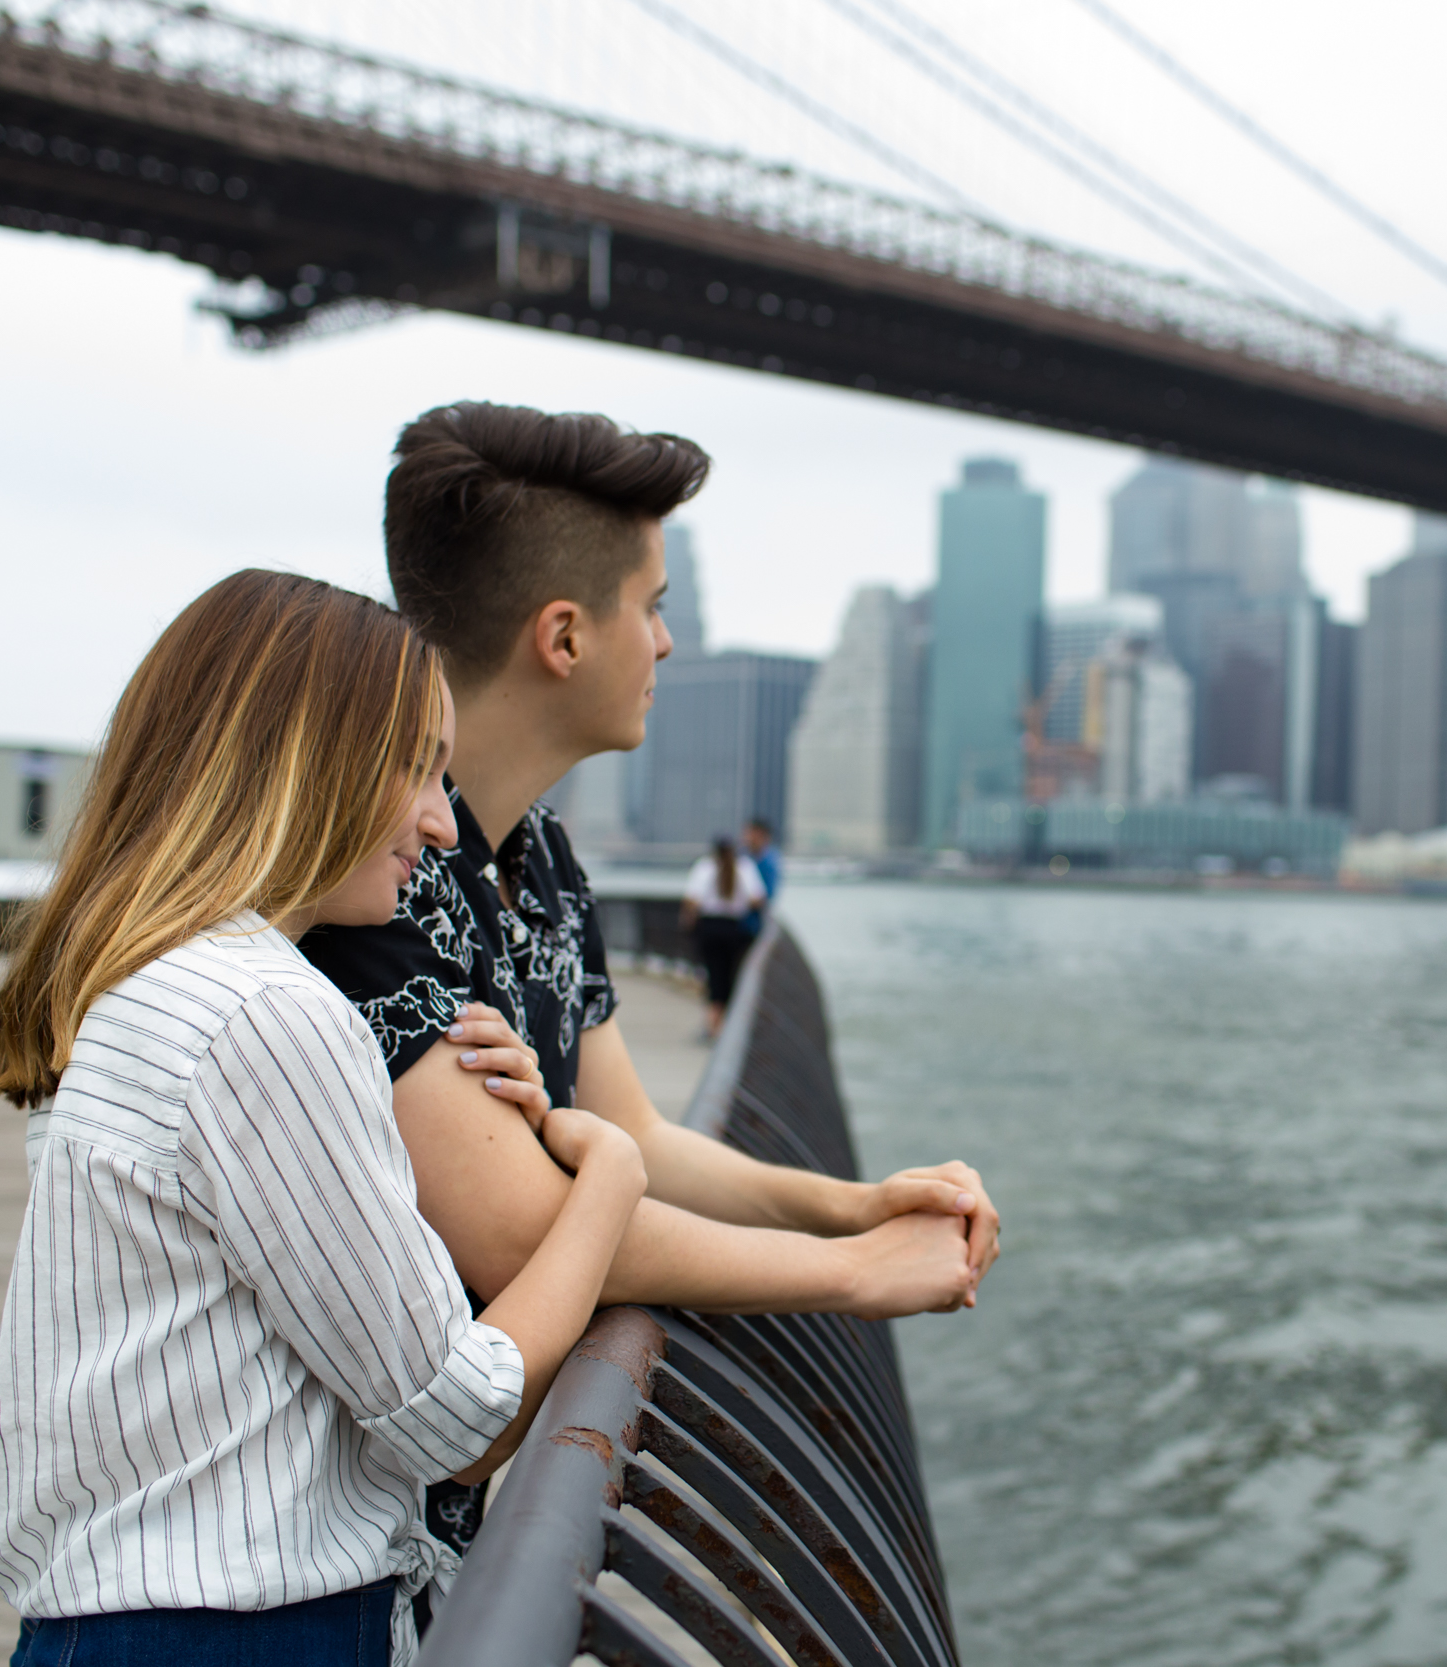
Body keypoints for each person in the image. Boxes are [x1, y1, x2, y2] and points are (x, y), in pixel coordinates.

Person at [300, 403, 1002, 1571]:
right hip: (310, 1549)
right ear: (564, 636)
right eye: (655, 605)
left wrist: (848, 1201)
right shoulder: (374, 875)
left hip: (420, 1540)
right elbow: (530, 1224)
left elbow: (633, 1133)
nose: (667, 644)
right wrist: (848, 1275)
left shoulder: (544, 860)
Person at [0, 571, 646, 1665]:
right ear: (303, 763)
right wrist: (606, 1179)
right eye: (417, 765)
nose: (439, 820)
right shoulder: (267, 1012)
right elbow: (456, 1417)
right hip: (245, 1635)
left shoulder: (147, 985)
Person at [680, 833, 766, 1037]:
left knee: (714, 974)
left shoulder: (705, 867)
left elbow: (692, 900)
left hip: (709, 928)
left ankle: (713, 1024)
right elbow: (757, 898)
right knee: (732, 976)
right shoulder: (745, 866)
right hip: (734, 929)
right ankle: (726, 1024)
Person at [740, 816, 781, 932]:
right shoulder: (743, 856)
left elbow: (765, 897)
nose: (747, 838)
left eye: (751, 834)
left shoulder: (769, 863)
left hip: (754, 923)